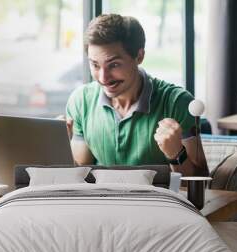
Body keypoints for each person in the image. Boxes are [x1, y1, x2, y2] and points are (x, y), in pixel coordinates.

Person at [65, 14, 208, 176]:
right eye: (95, 65)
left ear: (139, 56)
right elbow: (80, 174)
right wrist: (58, 147)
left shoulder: (177, 102)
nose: (103, 77)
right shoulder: (80, 101)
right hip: (101, 200)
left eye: (114, 65)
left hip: (158, 200)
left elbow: (201, 181)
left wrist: (176, 154)